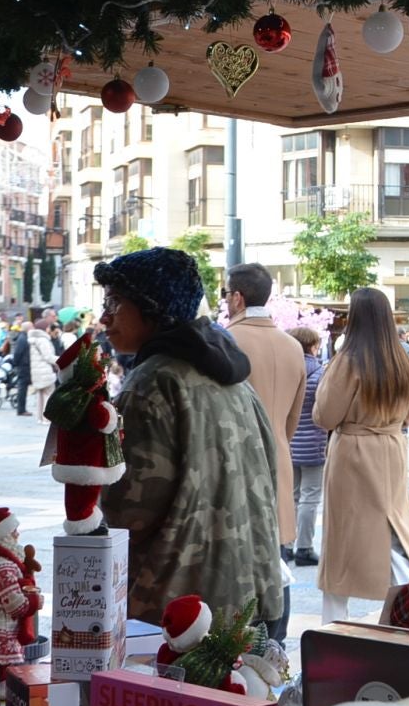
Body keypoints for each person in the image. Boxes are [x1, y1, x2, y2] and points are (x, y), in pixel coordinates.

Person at [98, 249, 284, 632]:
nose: (104, 317)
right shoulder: (232, 379)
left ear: (152, 308)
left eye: (114, 303)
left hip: (176, 611)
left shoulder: (152, 383)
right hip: (247, 595)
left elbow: (128, 512)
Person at [314, 286, 409, 625]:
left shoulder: (347, 361)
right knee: (394, 534)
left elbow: (326, 416)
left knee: (344, 541)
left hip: (354, 454)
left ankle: (333, 624)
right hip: (391, 449)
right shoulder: (402, 360)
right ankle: (402, 615)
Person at [226, 264, 307, 561]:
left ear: (237, 298)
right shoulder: (293, 346)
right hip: (279, 453)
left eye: (225, 294)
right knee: (275, 553)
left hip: (236, 460)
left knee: (240, 558)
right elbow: (293, 418)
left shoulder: (226, 340)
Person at [288, 326, 327, 567]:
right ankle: (304, 547)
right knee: (310, 497)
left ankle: (286, 544)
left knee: (291, 496)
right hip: (314, 443)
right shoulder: (320, 374)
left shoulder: (286, 371)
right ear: (312, 346)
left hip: (290, 441)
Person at [28, 307, 60, 419]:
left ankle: (40, 417)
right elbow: (48, 356)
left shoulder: (34, 340)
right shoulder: (43, 340)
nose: (48, 329)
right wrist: (61, 359)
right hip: (45, 371)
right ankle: (47, 418)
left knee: (41, 395)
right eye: (47, 328)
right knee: (48, 395)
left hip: (37, 371)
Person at [9, 319, 34, 416]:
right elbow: (18, 353)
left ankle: (22, 409)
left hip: (23, 365)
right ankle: (21, 409)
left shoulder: (23, 337)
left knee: (23, 387)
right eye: (32, 327)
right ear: (28, 328)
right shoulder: (23, 338)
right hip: (23, 366)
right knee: (22, 388)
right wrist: (16, 363)